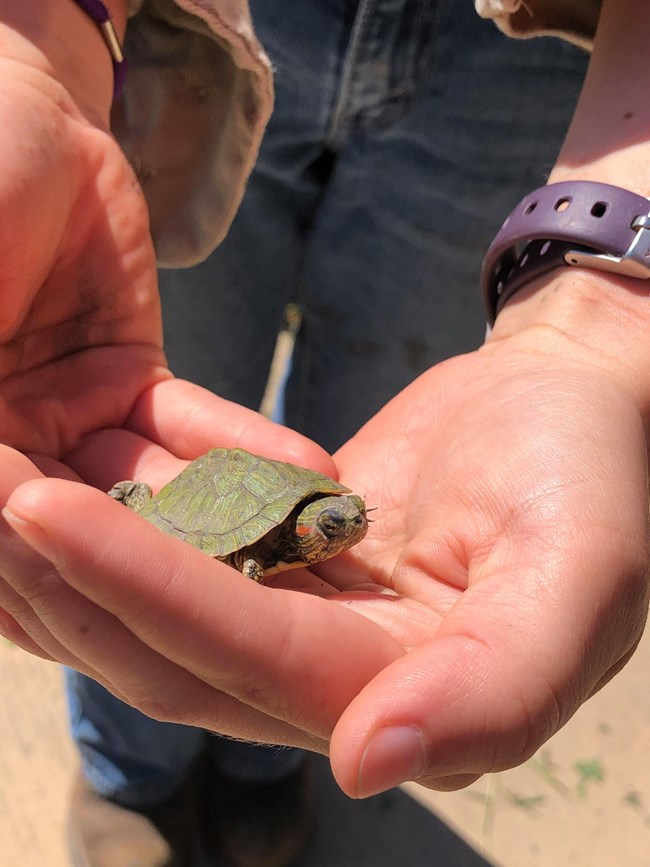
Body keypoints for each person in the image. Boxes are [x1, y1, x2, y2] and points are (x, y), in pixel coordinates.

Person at [0, 1, 648, 866]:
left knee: (390, 411)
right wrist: (44, 47)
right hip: (197, 26)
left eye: (339, 524)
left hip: (537, 57)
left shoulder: (326, 517)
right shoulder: (281, 543)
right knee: (142, 401)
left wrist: (598, 322)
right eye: (337, 525)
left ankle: (263, 765)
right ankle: (132, 773)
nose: (345, 530)